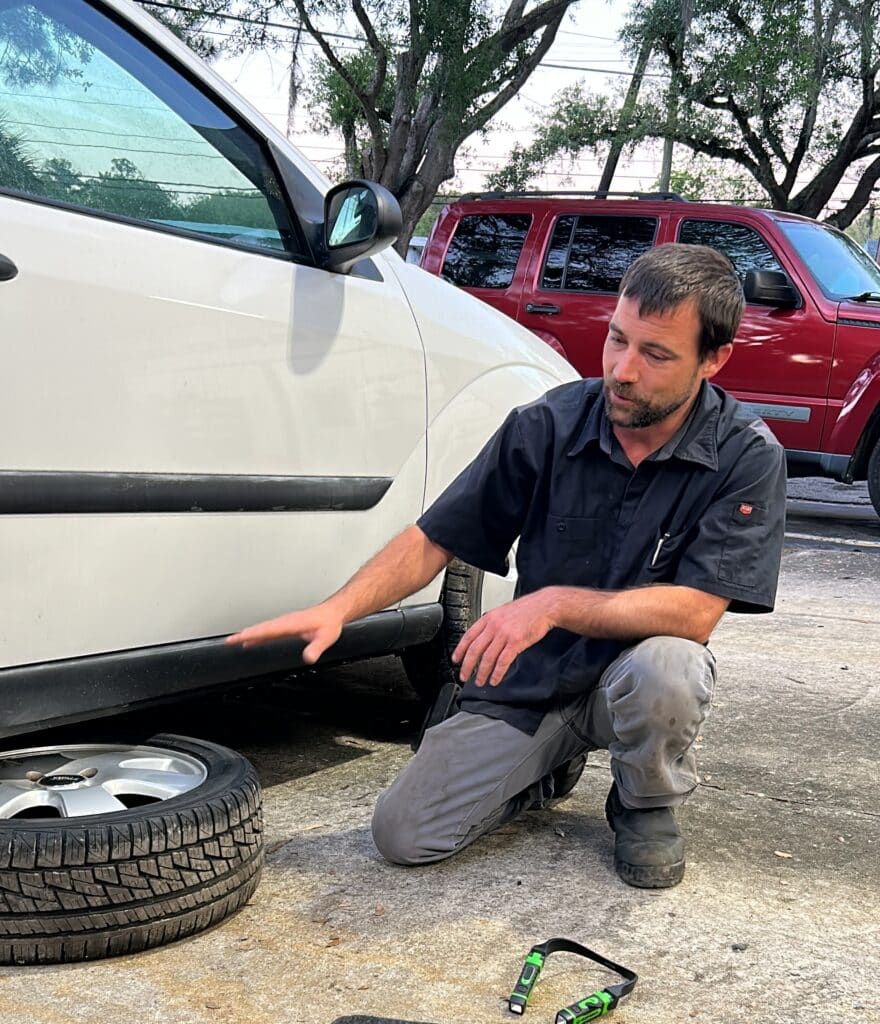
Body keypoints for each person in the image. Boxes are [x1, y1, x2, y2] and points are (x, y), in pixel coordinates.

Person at [227, 243, 787, 889]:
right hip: (534, 680)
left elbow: (694, 613)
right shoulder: (545, 425)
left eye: (656, 354)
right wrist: (339, 608)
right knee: (405, 837)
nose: (623, 370)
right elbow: (436, 538)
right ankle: (541, 772)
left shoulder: (746, 455)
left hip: (631, 681)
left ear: (714, 359)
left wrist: (550, 603)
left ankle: (644, 802)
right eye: (616, 340)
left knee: (671, 664)